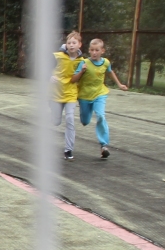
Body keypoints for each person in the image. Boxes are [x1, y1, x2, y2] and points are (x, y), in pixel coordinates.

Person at [74, 38, 128, 159]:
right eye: (92, 50)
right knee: (85, 121)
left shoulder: (106, 63)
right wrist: (81, 72)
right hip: (84, 96)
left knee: (101, 115)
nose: (94, 53)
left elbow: (110, 72)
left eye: (97, 50)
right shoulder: (84, 63)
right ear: (89, 50)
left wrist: (119, 84)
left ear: (102, 51)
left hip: (100, 94)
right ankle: (85, 118)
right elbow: (75, 78)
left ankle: (104, 145)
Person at [52, 32, 83, 161]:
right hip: (55, 93)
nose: (71, 45)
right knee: (56, 121)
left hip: (71, 93)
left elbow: (78, 78)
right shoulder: (57, 56)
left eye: (74, 43)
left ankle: (68, 149)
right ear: (66, 44)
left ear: (79, 45)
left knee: (70, 119)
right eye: (69, 43)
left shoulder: (81, 61)